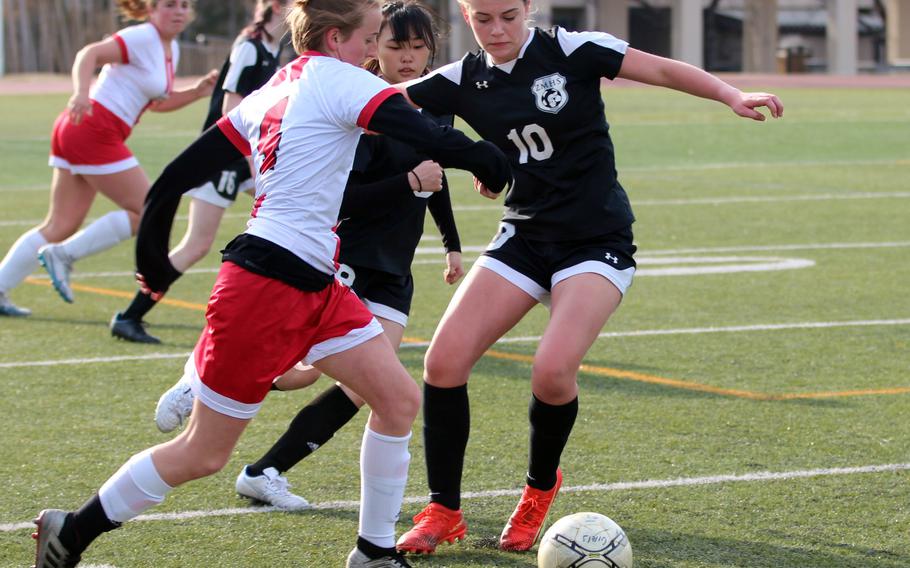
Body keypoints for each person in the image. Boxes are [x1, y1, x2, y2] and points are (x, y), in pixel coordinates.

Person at [30, 1, 511, 567]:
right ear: (336, 40)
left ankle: (373, 553)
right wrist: (488, 160)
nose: (374, 52)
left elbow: (177, 175)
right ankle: (72, 531)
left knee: (398, 400)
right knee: (203, 453)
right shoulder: (341, 78)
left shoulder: (278, 86)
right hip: (265, 286)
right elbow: (428, 132)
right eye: (372, 38)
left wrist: (154, 262)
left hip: (318, 283)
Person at [393, 0, 784, 555]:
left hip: (595, 241)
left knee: (552, 372)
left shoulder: (571, 49)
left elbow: (664, 70)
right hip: (524, 237)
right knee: (443, 360)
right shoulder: (460, 79)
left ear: (528, 8)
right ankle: (443, 510)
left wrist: (731, 94)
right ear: (464, 16)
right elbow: (386, 107)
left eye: (508, 14)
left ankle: (538, 490)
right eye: (483, 18)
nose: (497, 29)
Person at [152, 0, 464, 512]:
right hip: (346, 258)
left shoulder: (428, 106)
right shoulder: (357, 104)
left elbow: (437, 174)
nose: (407, 58)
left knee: (369, 390)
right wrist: (409, 183)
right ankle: (200, 379)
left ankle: (265, 470)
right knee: (297, 374)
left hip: (394, 266)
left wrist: (451, 243)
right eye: (393, 46)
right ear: (372, 47)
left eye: (417, 47)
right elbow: (349, 198)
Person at [0, 0, 217, 317]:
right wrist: (80, 92)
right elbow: (88, 54)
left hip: (81, 130)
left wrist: (196, 92)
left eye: (184, 5)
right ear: (150, 10)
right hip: (93, 128)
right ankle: (63, 256)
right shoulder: (142, 36)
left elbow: (156, 102)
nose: (180, 11)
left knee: (60, 224)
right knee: (147, 211)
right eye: (170, 5)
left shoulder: (168, 48)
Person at [110, 0, 290, 343]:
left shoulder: (270, 49)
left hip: (245, 160)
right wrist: (255, 157)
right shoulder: (249, 47)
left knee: (293, 214)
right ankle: (130, 315)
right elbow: (230, 108)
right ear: (277, 7)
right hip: (224, 160)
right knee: (196, 245)